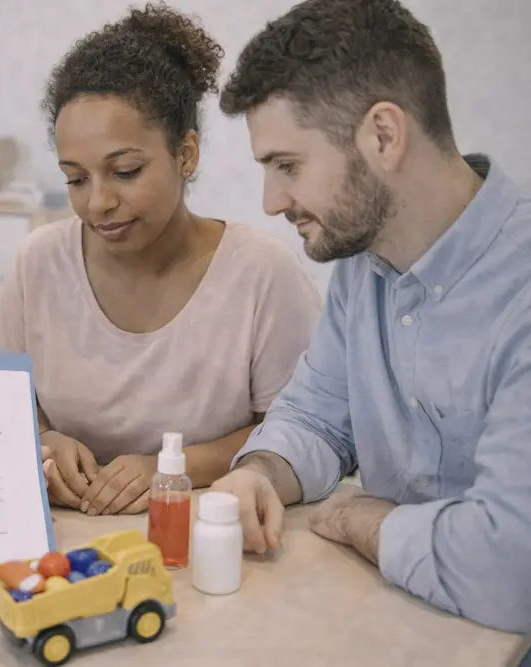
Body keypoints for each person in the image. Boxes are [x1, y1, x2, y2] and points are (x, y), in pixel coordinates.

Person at [211, 0, 531, 634]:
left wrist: (371, 522)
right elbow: (316, 418)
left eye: (287, 166)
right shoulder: (363, 264)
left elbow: (511, 568)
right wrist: (258, 473)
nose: (271, 201)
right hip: (398, 625)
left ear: (383, 136)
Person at [0, 3, 321, 518]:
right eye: (76, 179)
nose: (97, 203)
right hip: (69, 536)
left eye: (125, 171)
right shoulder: (39, 262)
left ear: (186, 155)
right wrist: (43, 442)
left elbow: (305, 430)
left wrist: (174, 468)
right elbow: (0, 407)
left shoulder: (262, 273)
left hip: (205, 528)